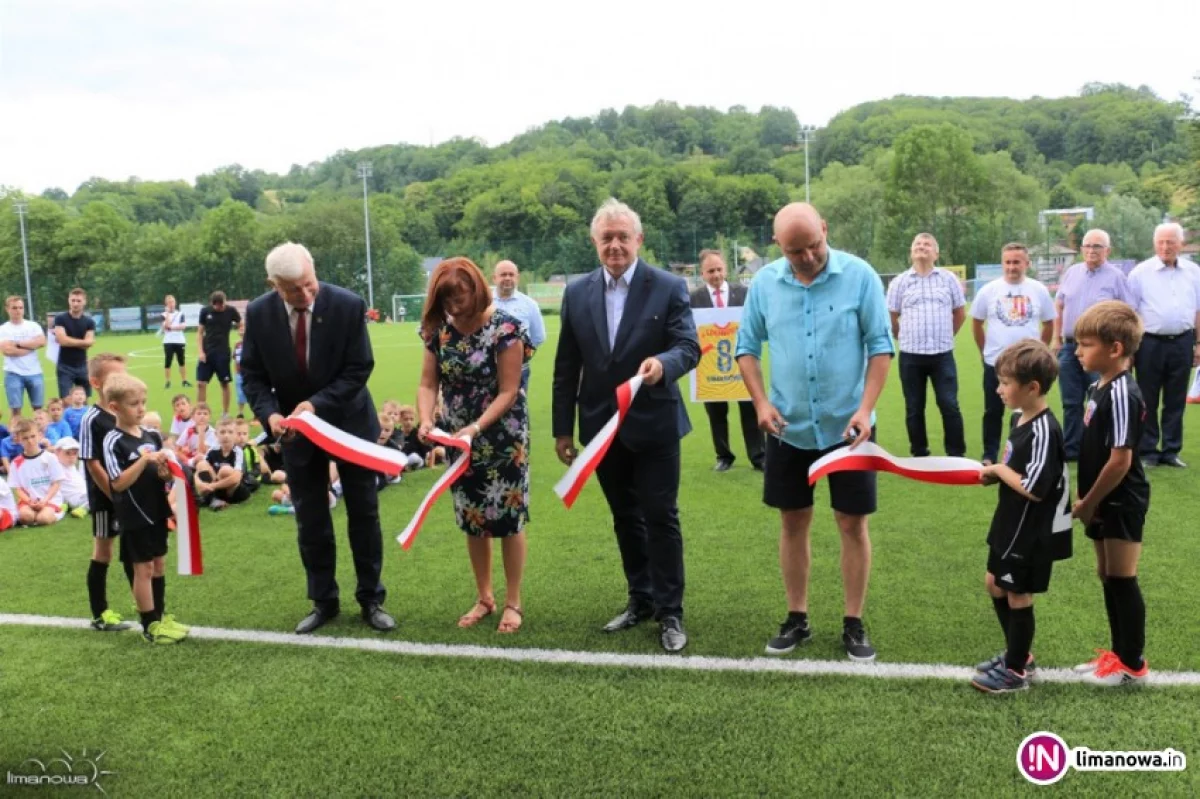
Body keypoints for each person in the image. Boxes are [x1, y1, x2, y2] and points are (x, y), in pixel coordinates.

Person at [736, 202, 893, 662]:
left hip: (851, 427)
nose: (805, 258)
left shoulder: (860, 276)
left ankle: (853, 621)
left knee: (851, 522)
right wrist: (761, 403)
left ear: (826, 229)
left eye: (812, 246)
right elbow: (746, 348)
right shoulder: (765, 283)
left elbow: (881, 348)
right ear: (778, 246)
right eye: (793, 251)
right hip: (788, 429)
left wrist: (866, 408)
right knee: (793, 521)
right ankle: (797, 616)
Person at [553, 198, 700, 653]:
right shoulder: (576, 292)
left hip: (654, 423)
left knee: (660, 516)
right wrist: (563, 429)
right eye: (606, 238)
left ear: (639, 240)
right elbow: (566, 365)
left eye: (623, 237)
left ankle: (670, 612)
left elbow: (688, 346)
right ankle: (640, 598)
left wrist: (664, 363)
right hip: (600, 427)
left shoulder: (669, 286)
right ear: (594, 242)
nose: (614, 245)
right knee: (624, 517)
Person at [240, 241, 394, 635]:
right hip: (295, 431)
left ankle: (371, 599)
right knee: (310, 517)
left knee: (363, 511)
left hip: (350, 422)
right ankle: (323, 601)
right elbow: (253, 376)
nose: (306, 294)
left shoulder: (347, 304)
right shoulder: (258, 314)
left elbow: (359, 368)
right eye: (294, 289)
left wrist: (315, 406)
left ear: (314, 269)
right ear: (274, 284)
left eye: (310, 284)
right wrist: (270, 413)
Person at [420, 258, 533, 633]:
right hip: (458, 441)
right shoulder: (438, 333)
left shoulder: (506, 329)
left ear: (477, 288)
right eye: (446, 298)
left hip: (503, 437)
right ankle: (485, 597)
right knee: (472, 518)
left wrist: (475, 426)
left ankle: (513, 601)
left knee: (508, 518)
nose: (454, 305)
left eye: (461, 295)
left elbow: (509, 389)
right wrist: (426, 418)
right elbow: (427, 384)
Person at [970, 340, 1069, 693]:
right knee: (994, 583)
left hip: (1031, 530)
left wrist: (998, 469)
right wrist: (995, 471)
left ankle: (1014, 671)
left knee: (1017, 594)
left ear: (1032, 388)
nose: (998, 389)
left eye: (1005, 383)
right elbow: (1016, 468)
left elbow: (1036, 487)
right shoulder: (1020, 416)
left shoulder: (1044, 428)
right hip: (1009, 521)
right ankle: (1018, 652)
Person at [1069, 301, 1151, 685]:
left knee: (1122, 577)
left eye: (1085, 344)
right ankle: (1116, 657)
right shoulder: (1097, 386)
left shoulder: (1122, 392)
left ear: (1115, 349)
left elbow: (1120, 461)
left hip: (1119, 499)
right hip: (1101, 499)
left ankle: (1132, 664)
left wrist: (1088, 502)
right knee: (1106, 573)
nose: (1077, 351)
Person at [101, 373, 187, 644]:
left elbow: (161, 477)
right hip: (134, 513)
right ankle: (150, 626)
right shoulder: (113, 441)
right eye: (133, 404)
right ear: (114, 407)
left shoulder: (150, 435)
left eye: (143, 402)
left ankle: (160, 616)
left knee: (159, 564)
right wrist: (144, 460)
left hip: (157, 508)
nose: (141, 409)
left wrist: (165, 469)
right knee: (144, 569)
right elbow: (118, 483)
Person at [970, 244, 1055, 464]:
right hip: (995, 363)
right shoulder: (988, 291)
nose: (1011, 267)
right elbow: (977, 323)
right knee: (993, 410)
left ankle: (1024, 453)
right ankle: (990, 454)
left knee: (1028, 410)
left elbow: (1048, 323)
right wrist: (984, 352)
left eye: (1016, 262)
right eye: (1007, 262)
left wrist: (1039, 353)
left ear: (1026, 264)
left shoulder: (1038, 290)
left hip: (1027, 366)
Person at [80, 354, 146, 633]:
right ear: (96, 383)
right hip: (106, 498)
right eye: (114, 377)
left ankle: (146, 608)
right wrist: (114, 495)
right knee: (103, 552)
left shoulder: (126, 413)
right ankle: (100, 612)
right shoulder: (92, 419)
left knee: (135, 553)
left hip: (129, 495)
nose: (123, 381)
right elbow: (92, 462)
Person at [1051, 229, 1130, 461]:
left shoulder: (1116, 277)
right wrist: (1055, 338)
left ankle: (1099, 447)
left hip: (1099, 349)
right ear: (1081, 249)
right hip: (1068, 347)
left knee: (1099, 400)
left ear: (1108, 250)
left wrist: (1123, 350)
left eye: (1097, 246)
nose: (1091, 250)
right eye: (1087, 245)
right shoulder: (1072, 273)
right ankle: (1072, 448)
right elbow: (1060, 306)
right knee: (1070, 401)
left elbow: (1127, 313)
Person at [886, 233, 967, 457]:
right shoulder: (899, 282)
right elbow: (892, 317)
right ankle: (919, 452)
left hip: (942, 355)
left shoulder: (948, 279)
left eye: (927, 244)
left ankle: (956, 453)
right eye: (918, 244)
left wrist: (947, 335)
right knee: (914, 408)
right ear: (911, 251)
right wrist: (902, 336)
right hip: (911, 356)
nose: (922, 247)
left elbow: (960, 312)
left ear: (936, 253)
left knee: (949, 404)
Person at [1126, 222, 1200, 468]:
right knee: (1147, 399)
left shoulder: (1193, 271)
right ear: (1155, 244)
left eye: (1171, 242)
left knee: (1176, 399)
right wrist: (1132, 349)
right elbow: (1131, 313)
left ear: (1181, 244)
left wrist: (1198, 343)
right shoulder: (1140, 273)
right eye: (1161, 242)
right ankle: (1148, 451)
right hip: (1149, 344)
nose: (1166, 247)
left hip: (1183, 341)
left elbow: (1198, 311)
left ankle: (1170, 451)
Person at [689, 249, 764, 472]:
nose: (716, 275)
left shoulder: (743, 293)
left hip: (743, 362)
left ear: (726, 269)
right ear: (702, 273)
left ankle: (759, 456)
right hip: (710, 365)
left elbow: (755, 322)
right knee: (716, 412)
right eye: (711, 271)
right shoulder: (694, 298)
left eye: (719, 269)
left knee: (750, 408)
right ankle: (724, 456)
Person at [492, 260, 547, 392]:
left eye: (511, 275)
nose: (507, 278)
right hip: (488, 370)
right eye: (503, 274)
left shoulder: (529, 305)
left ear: (517, 277)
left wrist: (520, 356)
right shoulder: (483, 302)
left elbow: (538, 337)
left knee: (517, 410)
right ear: (494, 278)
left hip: (518, 371)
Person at [9, 417, 66, 526]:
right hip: (28, 501)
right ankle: (33, 514)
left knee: (43, 519)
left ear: (40, 435)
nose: (30, 441)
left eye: (33, 436)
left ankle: (58, 511)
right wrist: (29, 501)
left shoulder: (50, 458)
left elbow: (56, 483)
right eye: (25, 438)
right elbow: (18, 489)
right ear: (18, 439)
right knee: (26, 517)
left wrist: (45, 501)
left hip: (50, 499)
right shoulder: (16, 463)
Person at [196, 290, 242, 417]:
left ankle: (225, 413)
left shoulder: (231, 311)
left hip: (222, 353)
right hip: (206, 353)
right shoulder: (205, 311)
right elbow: (199, 332)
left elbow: (241, 324)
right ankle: (200, 413)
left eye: (222, 305)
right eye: (217, 306)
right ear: (212, 303)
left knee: (224, 383)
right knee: (201, 383)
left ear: (225, 302)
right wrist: (200, 351)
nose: (220, 308)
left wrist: (243, 333)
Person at [0, 295, 47, 420]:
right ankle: (17, 437)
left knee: (38, 409)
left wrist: (17, 344)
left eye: (20, 307)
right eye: (14, 308)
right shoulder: (3, 329)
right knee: (15, 410)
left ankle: (38, 435)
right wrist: (31, 347)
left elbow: (42, 342)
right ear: (7, 309)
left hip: (35, 372)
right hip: (13, 373)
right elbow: (6, 350)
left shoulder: (33, 326)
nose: (18, 311)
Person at [193, 418, 251, 510]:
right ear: (216, 435)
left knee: (225, 470)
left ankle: (210, 498)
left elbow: (236, 478)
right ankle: (213, 499)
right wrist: (199, 483)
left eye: (230, 432)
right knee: (201, 464)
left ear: (235, 435)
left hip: (234, 491)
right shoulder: (213, 450)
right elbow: (198, 471)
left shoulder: (238, 452)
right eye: (222, 432)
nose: (226, 436)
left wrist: (211, 486)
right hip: (217, 488)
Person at [52, 288, 96, 398]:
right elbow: (63, 341)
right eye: (73, 300)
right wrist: (83, 343)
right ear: (68, 301)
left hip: (83, 365)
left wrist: (69, 340)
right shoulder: (60, 319)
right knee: (66, 400)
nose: (75, 304)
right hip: (64, 365)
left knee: (84, 400)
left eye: (78, 301)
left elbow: (89, 342)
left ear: (84, 302)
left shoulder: (89, 322)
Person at [160, 294, 191, 389]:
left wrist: (172, 328)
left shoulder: (180, 314)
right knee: (168, 361)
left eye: (172, 302)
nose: (171, 304)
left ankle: (184, 380)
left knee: (181, 361)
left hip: (179, 341)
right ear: (166, 304)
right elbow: (165, 326)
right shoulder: (163, 315)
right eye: (169, 302)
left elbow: (183, 326)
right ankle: (168, 381)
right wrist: (168, 313)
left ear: (175, 302)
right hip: (168, 341)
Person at [55, 436, 90, 517]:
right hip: (75, 499)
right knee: (95, 494)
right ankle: (83, 509)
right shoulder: (56, 466)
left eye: (75, 453)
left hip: (81, 495)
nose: (72, 456)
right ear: (57, 452)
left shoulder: (71, 467)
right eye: (67, 453)